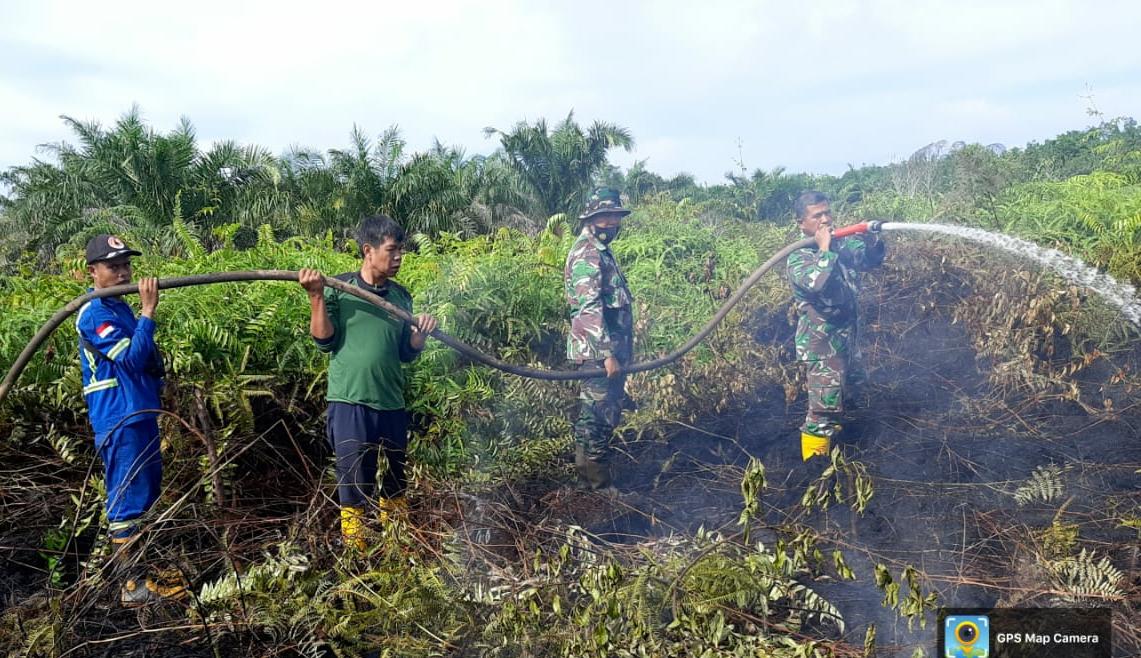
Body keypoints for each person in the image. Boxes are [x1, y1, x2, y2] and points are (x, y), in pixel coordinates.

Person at [298, 215, 437, 550]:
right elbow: (324, 342)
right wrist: (316, 297)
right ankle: (357, 558)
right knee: (354, 483)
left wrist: (419, 337)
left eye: (401, 250)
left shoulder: (401, 298)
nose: (399, 257)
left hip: (391, 405)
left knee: (394, 482)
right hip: (350, 403)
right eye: (392, 250)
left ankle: (396, 554)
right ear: (368, 250)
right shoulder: (340, 290)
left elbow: (405, 353)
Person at [77, 234, 177, 604]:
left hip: (140, 413)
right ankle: (132, 585)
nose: (122, 273)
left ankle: (143, 573)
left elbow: (146, 361)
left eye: (125, 265)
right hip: (120, 417)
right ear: (93, 271)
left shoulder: (118, 308)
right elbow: (132, 359)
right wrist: (149, 311)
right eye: (112, 266)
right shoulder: (95, 313)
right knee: (127, 500)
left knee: (146, 492)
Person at [786, 191, 886, 460]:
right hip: (823, 350)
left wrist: (871, 240)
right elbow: (816, 283)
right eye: (816, 215)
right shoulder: (799, 258)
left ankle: (849, 454)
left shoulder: (841, 246)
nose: (825, 219)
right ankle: (815, 469)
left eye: (827, 213)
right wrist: (824, 248)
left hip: (847, 343)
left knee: (852, 396)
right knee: (823, 412)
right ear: (802, 223)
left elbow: (868, 260)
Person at [565, 187, 635, 490]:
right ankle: (599, 487)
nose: (611, 222)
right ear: (591, 218)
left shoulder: (601, 250)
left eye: (615, 217)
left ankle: (586, 485)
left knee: (593, 418)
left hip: (607, 352)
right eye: (604, 217)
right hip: (598, 354)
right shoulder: (588, 253)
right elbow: (589, 307)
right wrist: (606, 353)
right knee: (599, 419)